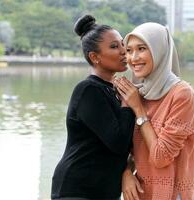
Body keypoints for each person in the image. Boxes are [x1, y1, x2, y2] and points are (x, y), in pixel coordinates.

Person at [51, 15, 136, 200]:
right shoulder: (89, 90)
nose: (124, 51)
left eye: (123, 44)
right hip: (77, 189)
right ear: (94, 57)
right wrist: (128, 104)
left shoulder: (114, 90)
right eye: (114, 47)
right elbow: (118, 143)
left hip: (101, 191)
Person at [113, 22, 194, 200]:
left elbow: (161, 156)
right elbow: (123, 146)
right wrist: (126, 172)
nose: (133, 58)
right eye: (129, 50)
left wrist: (138, 109)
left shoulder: (181, 94)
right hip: (140, 192)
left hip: (172, 194)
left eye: (142, 48)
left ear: (159, 51)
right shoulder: (136, 91)